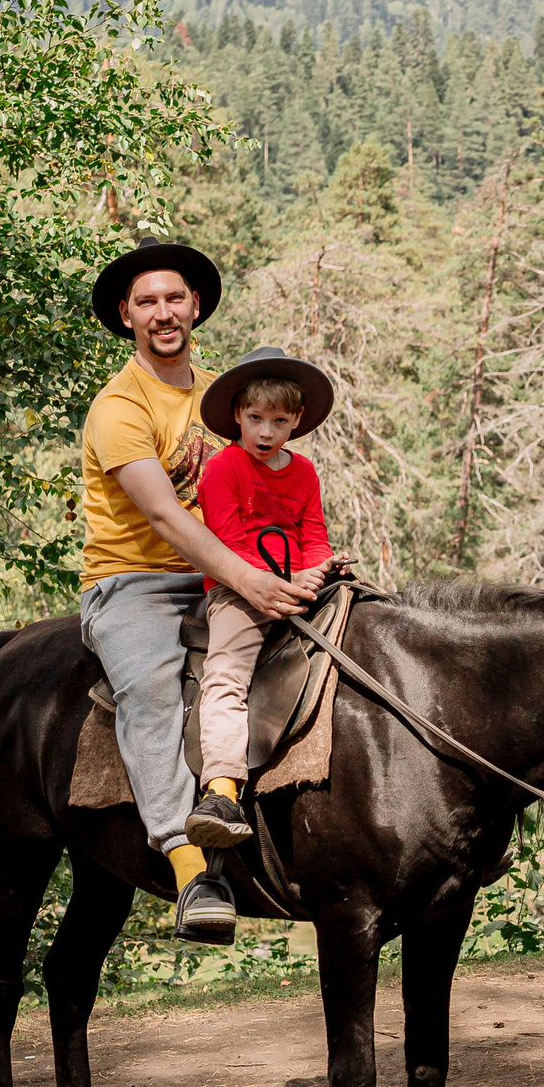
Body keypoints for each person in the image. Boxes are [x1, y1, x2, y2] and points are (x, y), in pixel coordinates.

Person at [77, 243, 315, 945]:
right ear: (127, 316)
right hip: (137, 583)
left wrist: (305, 565)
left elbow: (273, 484)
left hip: (233, 571)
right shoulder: (119, 407)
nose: (163, 313)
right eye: (147, 302)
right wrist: (247, 578)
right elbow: (164, 516)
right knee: (153, 693)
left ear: (196, 306)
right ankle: (191, 872)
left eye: (174, 298)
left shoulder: (225, 398)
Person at [185, 346, 339, 857]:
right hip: (239, 588)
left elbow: (313, 534)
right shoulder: (223, 469)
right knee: (226, 674)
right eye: (255, 419)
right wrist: (282, 580)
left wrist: (321, 569)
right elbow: (227, 544)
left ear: (296, 420)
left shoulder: (304, 472)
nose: (266, 432)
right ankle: (221, 789)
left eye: (278, 421)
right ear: (238, 415)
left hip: (300, 584)